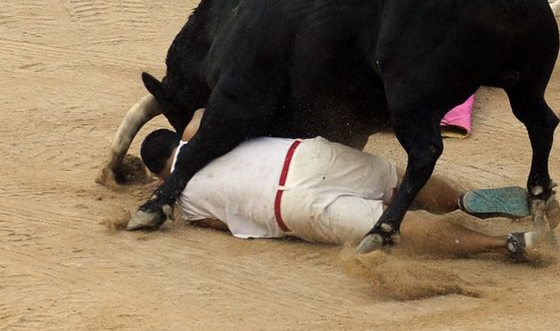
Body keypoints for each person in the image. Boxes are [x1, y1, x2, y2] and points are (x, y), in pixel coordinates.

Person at [140, 109, 538, 261]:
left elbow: (222, 224)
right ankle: (461, 199)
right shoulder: (205, 133)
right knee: (397, 181)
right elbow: (200, 113)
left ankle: (505, 245)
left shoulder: (182, 200)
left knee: (392, 223)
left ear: (159, 174)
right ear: (179, 141)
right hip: (308, 156)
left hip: (290, 204)